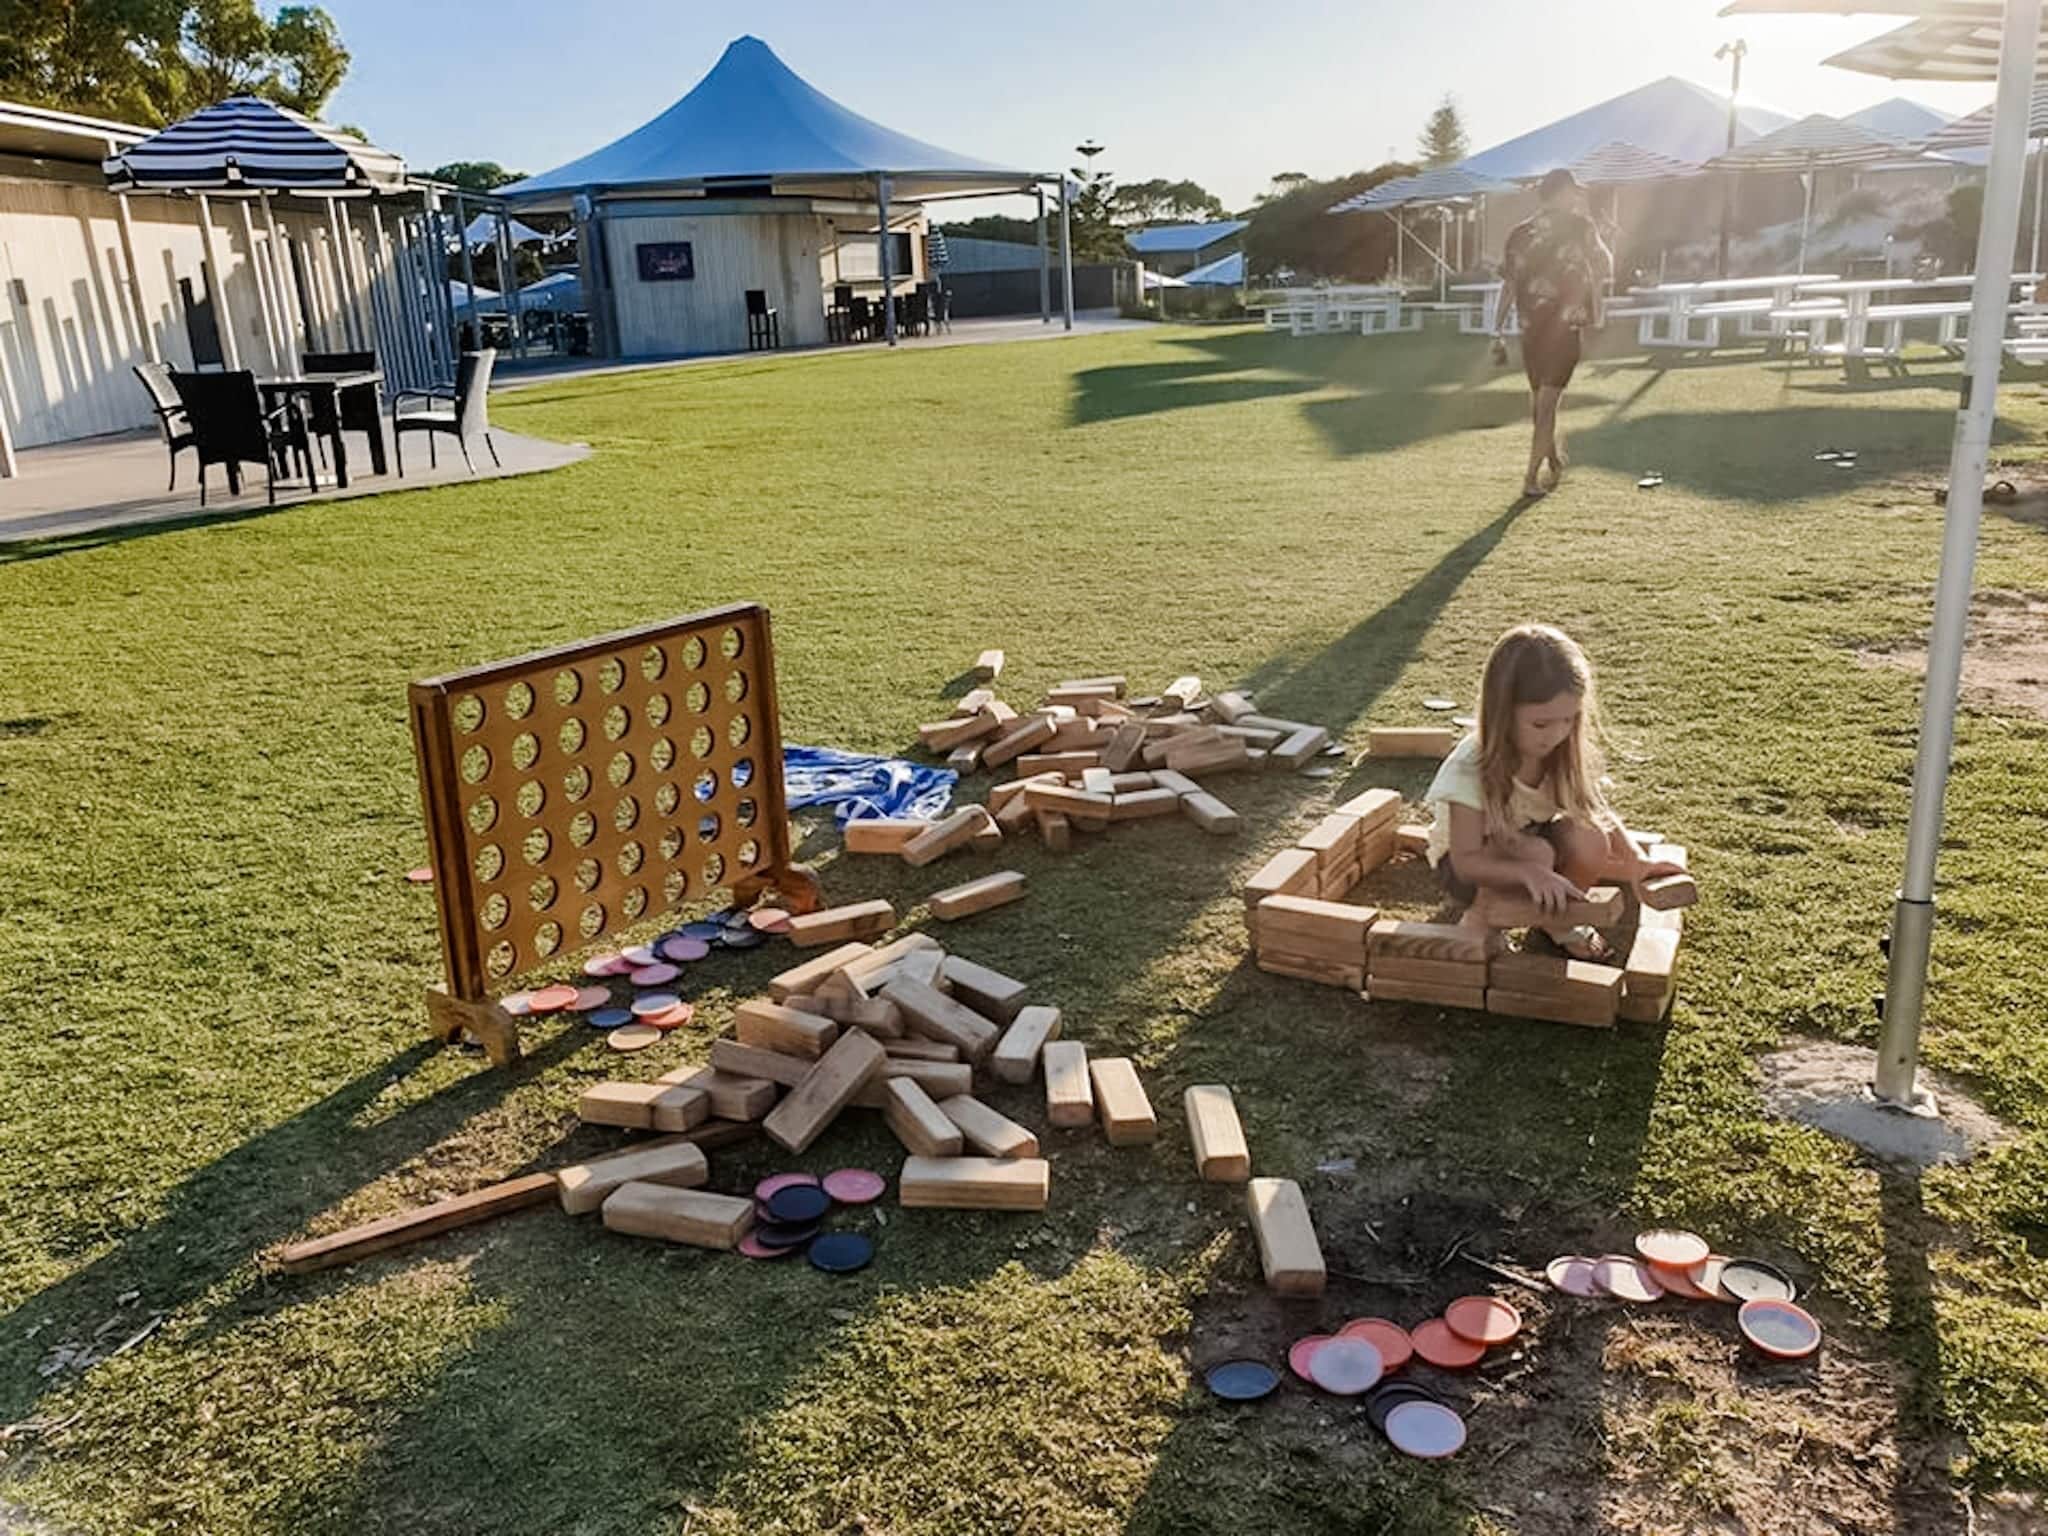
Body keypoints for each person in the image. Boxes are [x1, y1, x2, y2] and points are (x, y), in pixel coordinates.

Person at [1423, 624, 1683, 960]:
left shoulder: (1558, 752)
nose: (1556, 735)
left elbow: (1595, 809)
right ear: (1502, 713)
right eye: (1541, 724)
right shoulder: (1471, 767)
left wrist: (1637, 861)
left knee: (1590, 838)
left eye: (1568, 720)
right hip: (1466, 867)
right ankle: (1483, 915)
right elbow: (1465, 861)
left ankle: (1553, 918)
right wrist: (1531, 871)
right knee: (1537, 855)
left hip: (1527, 841)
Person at [1494, 169, 1613, 499]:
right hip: (1564, 327)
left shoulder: (1518, 234)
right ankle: (1532, 476)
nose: (1577, 197)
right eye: (1574, 192)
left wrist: (1497, 327)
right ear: (1561, 192)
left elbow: (1509, 285)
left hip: (1530, 329)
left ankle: (1553, 460)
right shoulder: (1581, 227)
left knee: (1541, 403)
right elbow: (1606, 264)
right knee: (1545, 406)